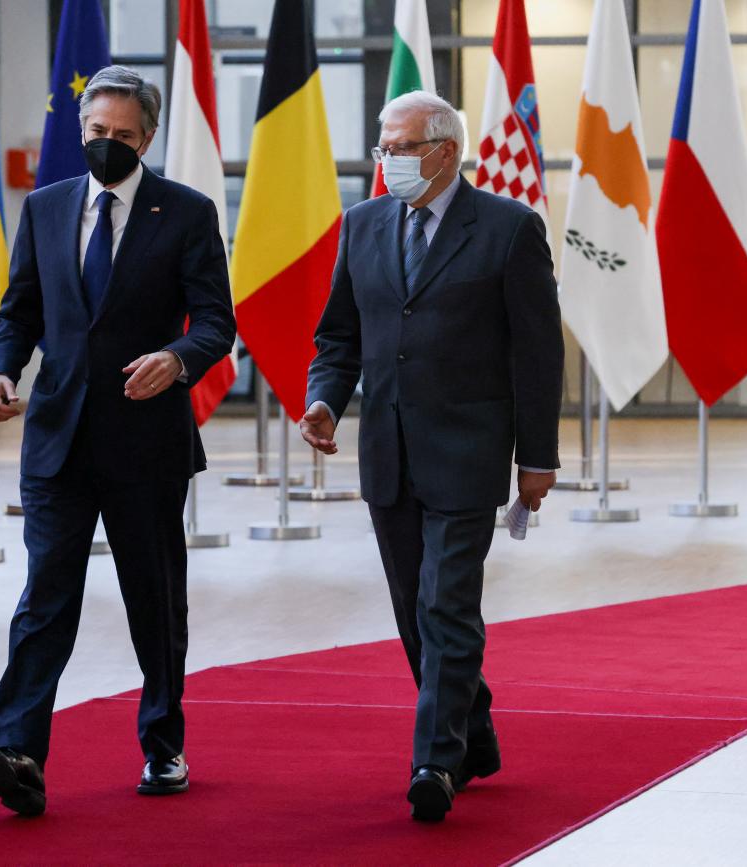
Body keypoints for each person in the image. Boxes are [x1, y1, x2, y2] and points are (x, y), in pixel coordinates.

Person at [0, 65, 236, 816]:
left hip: (147, 444)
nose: (107, 144)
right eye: (96, 132)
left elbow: (217, 320)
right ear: (80, 130)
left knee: (155, 600)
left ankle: (164, 745)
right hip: (56, 438)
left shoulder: (184, 212)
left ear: (148, 137)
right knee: (45, 597)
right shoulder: (47, 207)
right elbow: (18, 309)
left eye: (123, 135)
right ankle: (16, 748)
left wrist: (178, 359)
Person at [300, 91, 564, 822]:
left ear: (446, 150)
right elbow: (338, 337)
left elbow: (537, 356)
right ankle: (473, 732)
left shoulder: (509, 231)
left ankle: (434, 761)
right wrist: (325, 399)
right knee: (414, 614)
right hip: (387, 451)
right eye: (383, 148)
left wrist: (536, 458)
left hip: (468, 452)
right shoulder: (362, 226)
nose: (387, 162)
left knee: (447, 604)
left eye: (402, 147)